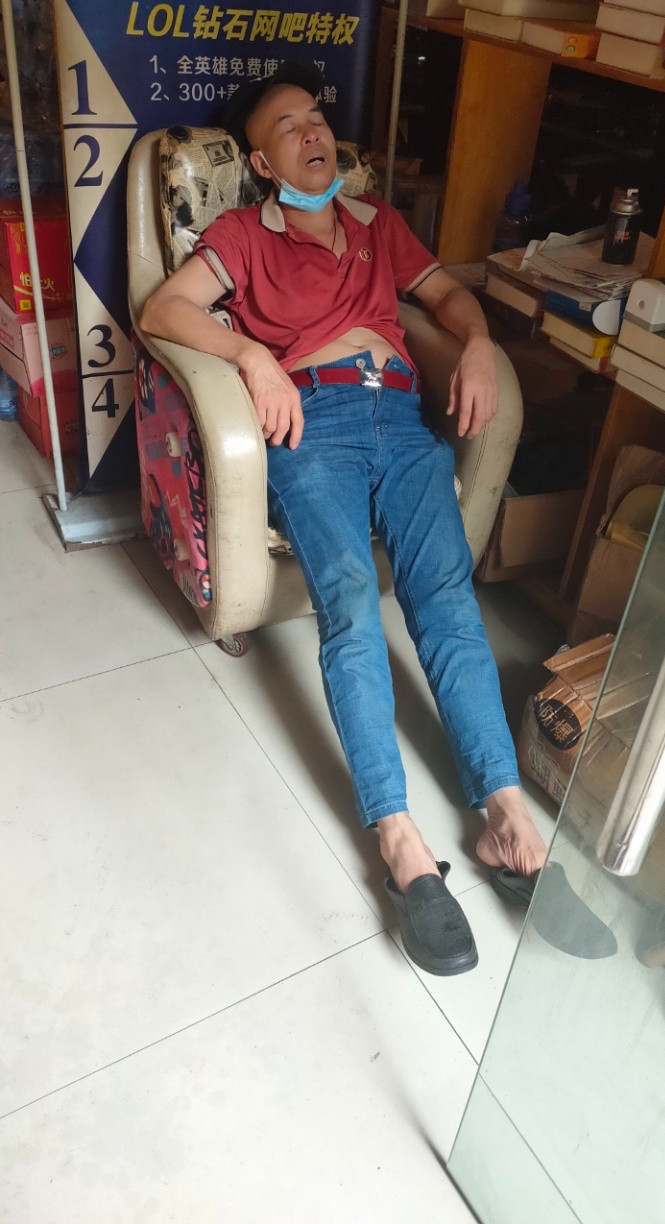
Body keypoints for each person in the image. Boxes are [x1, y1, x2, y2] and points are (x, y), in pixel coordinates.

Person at [140, 62, 547, 977]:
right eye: (288, 126)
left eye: (316, 117)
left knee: (447, 598)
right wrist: (253, 356)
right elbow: (162, 307)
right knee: (352, 604)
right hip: (313, 423)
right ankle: (401, 845)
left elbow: (446, 298)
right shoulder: (244, 235)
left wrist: (479, 343)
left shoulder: (376, 223)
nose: (312, 131)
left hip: (401, 417)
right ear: (260, 162)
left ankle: (506, 809)